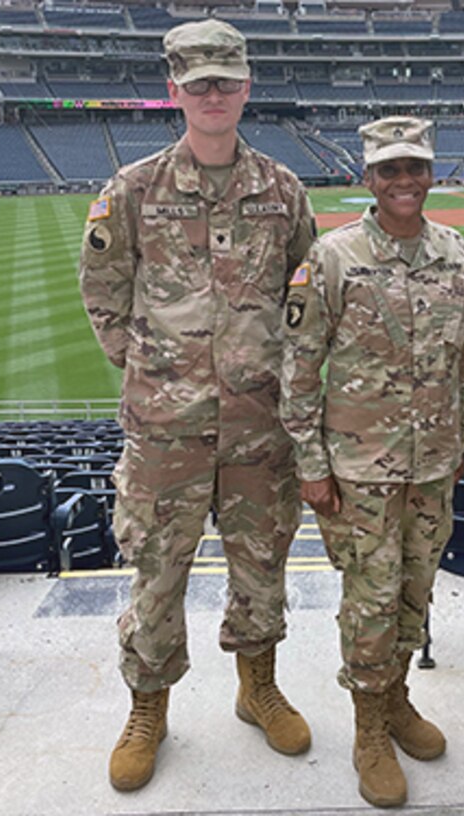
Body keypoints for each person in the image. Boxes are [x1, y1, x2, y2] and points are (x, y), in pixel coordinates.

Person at [78, 18, 317, 793]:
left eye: (227, 81)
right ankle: (148, 708)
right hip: (164, 431)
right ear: (174, 91)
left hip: (259, 428)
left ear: (247, 89)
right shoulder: (133, 189)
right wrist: (149, 367)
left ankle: (258, 687)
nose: (214, 94)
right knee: (156, 571)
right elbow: (102, 290)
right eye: (199, 83)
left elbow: (304, 298)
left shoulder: (283, 191)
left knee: (262, 566)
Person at [281, 116, 464, 809]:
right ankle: (368, 728)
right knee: (370, 602)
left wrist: (460, 438)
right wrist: (311, 464)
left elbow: (462, 358)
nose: (403, 181)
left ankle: (397, 699)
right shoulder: (332, 256)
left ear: (430, 174)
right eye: (389, 169)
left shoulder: (453, 251)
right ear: (368, 177)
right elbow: (299, 369)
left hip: (432, 464)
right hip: (359, 468)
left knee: (415, 594)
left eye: (414, 167)